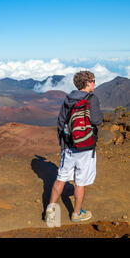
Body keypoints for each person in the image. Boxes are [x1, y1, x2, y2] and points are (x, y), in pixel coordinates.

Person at [46, 70, 103, 224]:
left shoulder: (68, 98)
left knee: (61, 178)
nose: (94, 84)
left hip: (69, 147)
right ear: (87, 83)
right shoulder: (92, 98)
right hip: (85, 147)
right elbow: (97, 120)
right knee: (80, 182)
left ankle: (51, 210)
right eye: (93, 81)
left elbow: (61, 122)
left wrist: (63, 144)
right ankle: (76, 213)